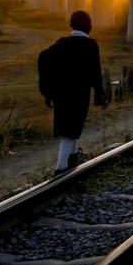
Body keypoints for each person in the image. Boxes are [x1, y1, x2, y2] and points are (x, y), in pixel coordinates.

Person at [38, 10, 107, 174]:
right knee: (70, 130)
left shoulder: (61, 44)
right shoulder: (90, 45)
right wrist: (99, 93)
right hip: (79, 94)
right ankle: (60, 168)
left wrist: (47, 92)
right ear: (88, 26)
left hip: (60, 94)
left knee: (69, 125)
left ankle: (74, 155)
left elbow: (43, 58)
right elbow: (95, 73)